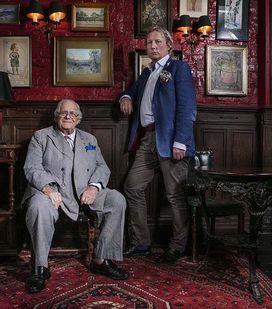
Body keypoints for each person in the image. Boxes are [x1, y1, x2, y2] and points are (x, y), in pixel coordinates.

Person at [22, 99, 129, 293]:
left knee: (116, 200)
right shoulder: (41, 137)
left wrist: (94, 188)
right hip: (52, 194)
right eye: (64, 112)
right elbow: (32, 168)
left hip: (83, 193)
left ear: (78, 118)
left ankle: (102, 259)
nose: (68, 116)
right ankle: (40, 267)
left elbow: (101, 167)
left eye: (72, 113)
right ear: (57, 116)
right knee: (37, 206)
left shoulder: (89, 140)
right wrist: (48, 189)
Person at [120, 26, 196, 263]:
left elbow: (187, 107)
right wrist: (126, 97)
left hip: (171, 140)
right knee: (132, 187)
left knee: (175, 196)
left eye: (157, 42)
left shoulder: (178, 68)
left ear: (169, 45)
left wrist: (181, 142)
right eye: (149, 42)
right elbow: (133, 91)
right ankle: (141, 243)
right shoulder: (146, 72)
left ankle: (178, 246)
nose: (152, 46)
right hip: (147, 139)